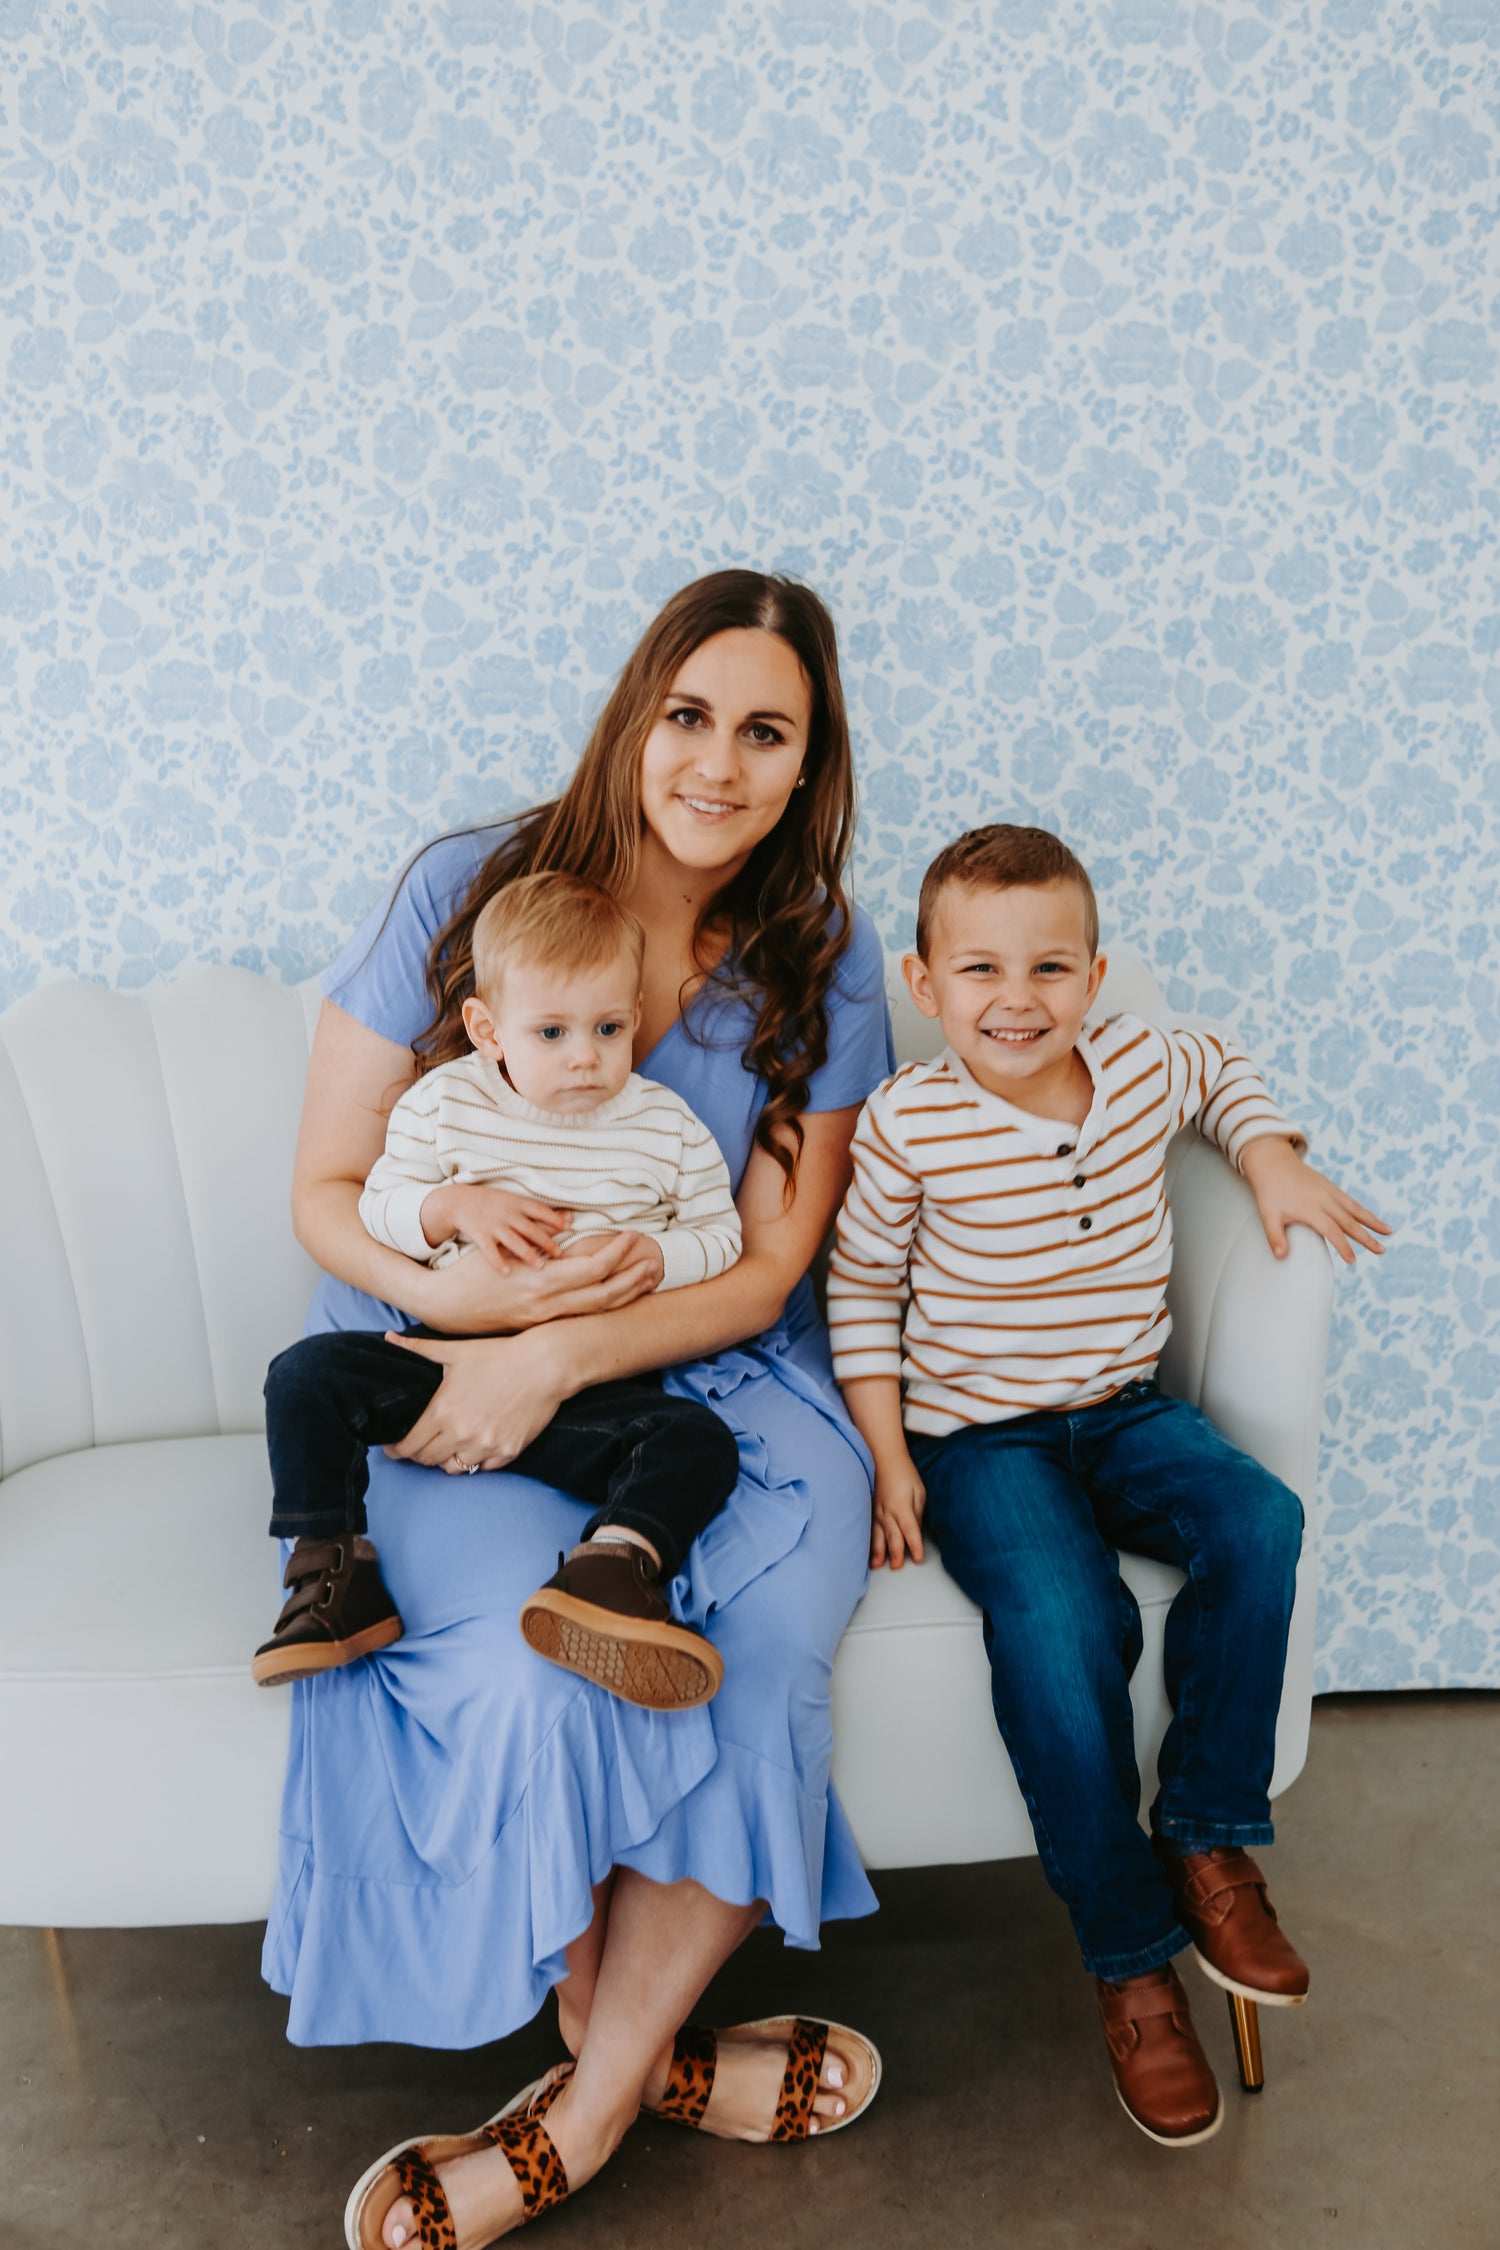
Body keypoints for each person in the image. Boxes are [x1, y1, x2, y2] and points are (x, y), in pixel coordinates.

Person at [261, 571, 894, 2250]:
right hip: (446, 1365)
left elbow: (763, 1277)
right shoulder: (464, 894)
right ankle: (652, 2049)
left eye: (767, 731)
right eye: (690, 714)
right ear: (635, 714)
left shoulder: (818, 961)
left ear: (809, 762)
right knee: (526, 1670)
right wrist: (480, 1324)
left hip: (719, 1379)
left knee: (752, 1653)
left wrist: (565, 1355)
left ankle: (587, 2115)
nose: (717, 763)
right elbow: (330, 1190)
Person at [828, 823, 1388, 2151]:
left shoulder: (1139, 1060)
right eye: (980, 969)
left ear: (1094, 973)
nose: (1015, 998)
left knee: (1260, 1517)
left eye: (1050, 966)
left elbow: (1223, 1071)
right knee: (1063, 1620)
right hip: (982, 1441)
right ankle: (1129, 1955)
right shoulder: (912, 1123)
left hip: (1128, 1412)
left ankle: (1204, 1834)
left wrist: (1267, 1153)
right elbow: (857, 1292)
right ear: (924, 980)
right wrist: (893, 1458)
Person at [252, 871, 744, 1712]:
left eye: (609, 1027)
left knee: (698, 1441)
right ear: (488, 1029)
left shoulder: (665, 1128)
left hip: (587, 1387)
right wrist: (452, 1208)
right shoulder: (445, 1105)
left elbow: (723, 1238)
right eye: (550, 1031)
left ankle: (611, 1570)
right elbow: (380, 1204)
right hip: (441, 1364)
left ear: (637, 1016)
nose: (585, 1055)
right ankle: (332, 1571)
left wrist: (660, 1257)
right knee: (304, 1376)